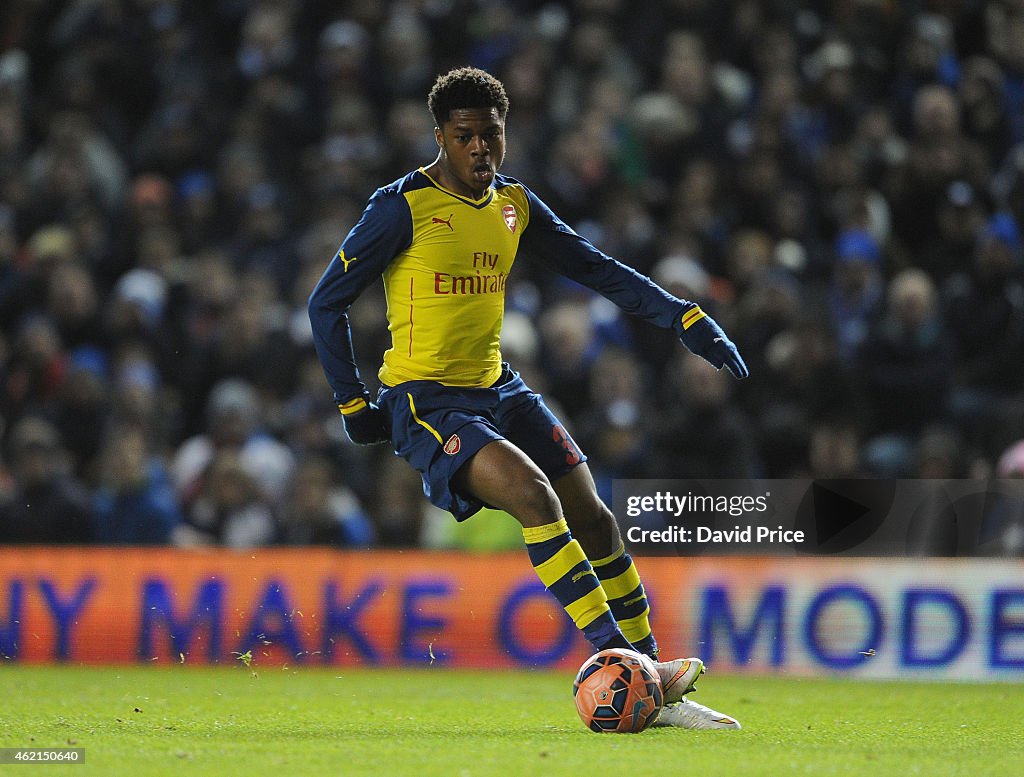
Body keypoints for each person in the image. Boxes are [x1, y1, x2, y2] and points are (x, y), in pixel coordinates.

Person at [308, 67, 748, 729]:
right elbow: (325, 303)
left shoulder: (514, 203)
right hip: (427, 399)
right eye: (466, 137)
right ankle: (627, 664)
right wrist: (352, 403)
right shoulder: (401, 206)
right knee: (534, 495)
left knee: (594, 516)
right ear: (441, 138)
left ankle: (658, 685)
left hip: (499, 386)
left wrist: (681, 315)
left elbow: (595, 265)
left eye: (492, 133)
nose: (482, 148)